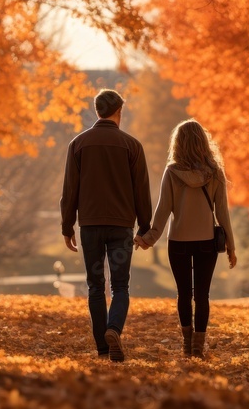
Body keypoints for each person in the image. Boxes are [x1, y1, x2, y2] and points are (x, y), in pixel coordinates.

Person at [60, 89, 151, 362]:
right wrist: (145, 227)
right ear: (118, 112)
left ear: (97, 111)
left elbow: (69, 191)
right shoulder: (132, 146)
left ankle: (102, 347)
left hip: (89, 226)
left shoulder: (78, 144)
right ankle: (114, 330)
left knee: (95, 286)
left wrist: (67, 227)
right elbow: (141, 191)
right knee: (120, 286)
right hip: (122, 227)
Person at [135, 120, 236, 359]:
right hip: (206, 242)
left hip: (178, 241)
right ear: (203, 141)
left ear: (178, 143)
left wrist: (148, 238)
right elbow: (223, 212)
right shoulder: (215, 172)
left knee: (183, 294)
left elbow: (162, 210)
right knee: (202, 296)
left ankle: (187, 345)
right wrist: (231, 245)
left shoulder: (172, 172)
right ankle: (198, 348)